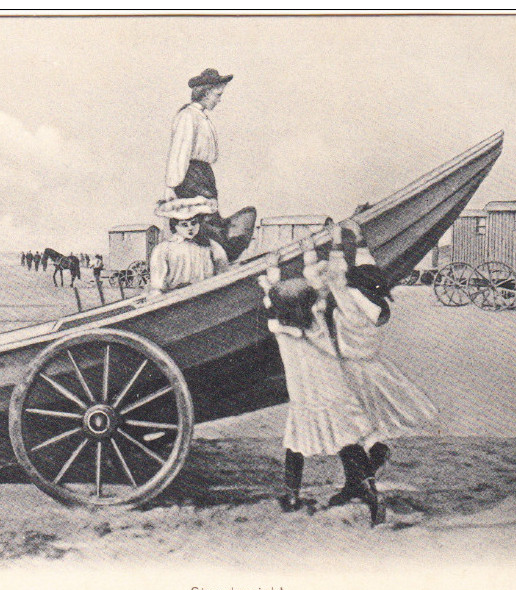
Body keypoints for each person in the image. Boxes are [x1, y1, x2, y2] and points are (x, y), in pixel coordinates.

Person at [258, 233, 384, 526]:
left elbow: (270, 302)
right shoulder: (317, 322)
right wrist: (309, 254)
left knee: (295, 445)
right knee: (348, 442)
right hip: (333, 394)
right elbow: (318, 288)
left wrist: (271, 271)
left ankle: (291, 496)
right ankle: (371, 493)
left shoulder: (278, 329)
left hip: (305, 400)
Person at [320, 219, 438, 507]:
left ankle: (362, 485)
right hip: (375, 370)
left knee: (346, 432)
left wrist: (336, 240)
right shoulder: (378, 304)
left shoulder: (349, 301)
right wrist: (359, 240)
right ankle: (366, 469)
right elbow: (369, 270)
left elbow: (335, 277)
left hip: (349, 371)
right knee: (367, 427)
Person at [161, 68, 256, 262]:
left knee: (209, 218)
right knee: (203, 221)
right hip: (192, 176)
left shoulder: (200, 116)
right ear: (205, 93)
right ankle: (214, 259)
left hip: (203, 174)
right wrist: (171, 186)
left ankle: (218, 257)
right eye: (217, 95)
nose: (219, 100)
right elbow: (179, 153)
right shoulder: (188, 116)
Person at [148, 201, 229, 295]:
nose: (190, 228)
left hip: (207, 294)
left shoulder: (210, 245)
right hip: (176, 298)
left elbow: (223, 272)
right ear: (175, 226)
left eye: (194, 223)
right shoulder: (163, 249)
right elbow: (157, 285)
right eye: (184, 225)